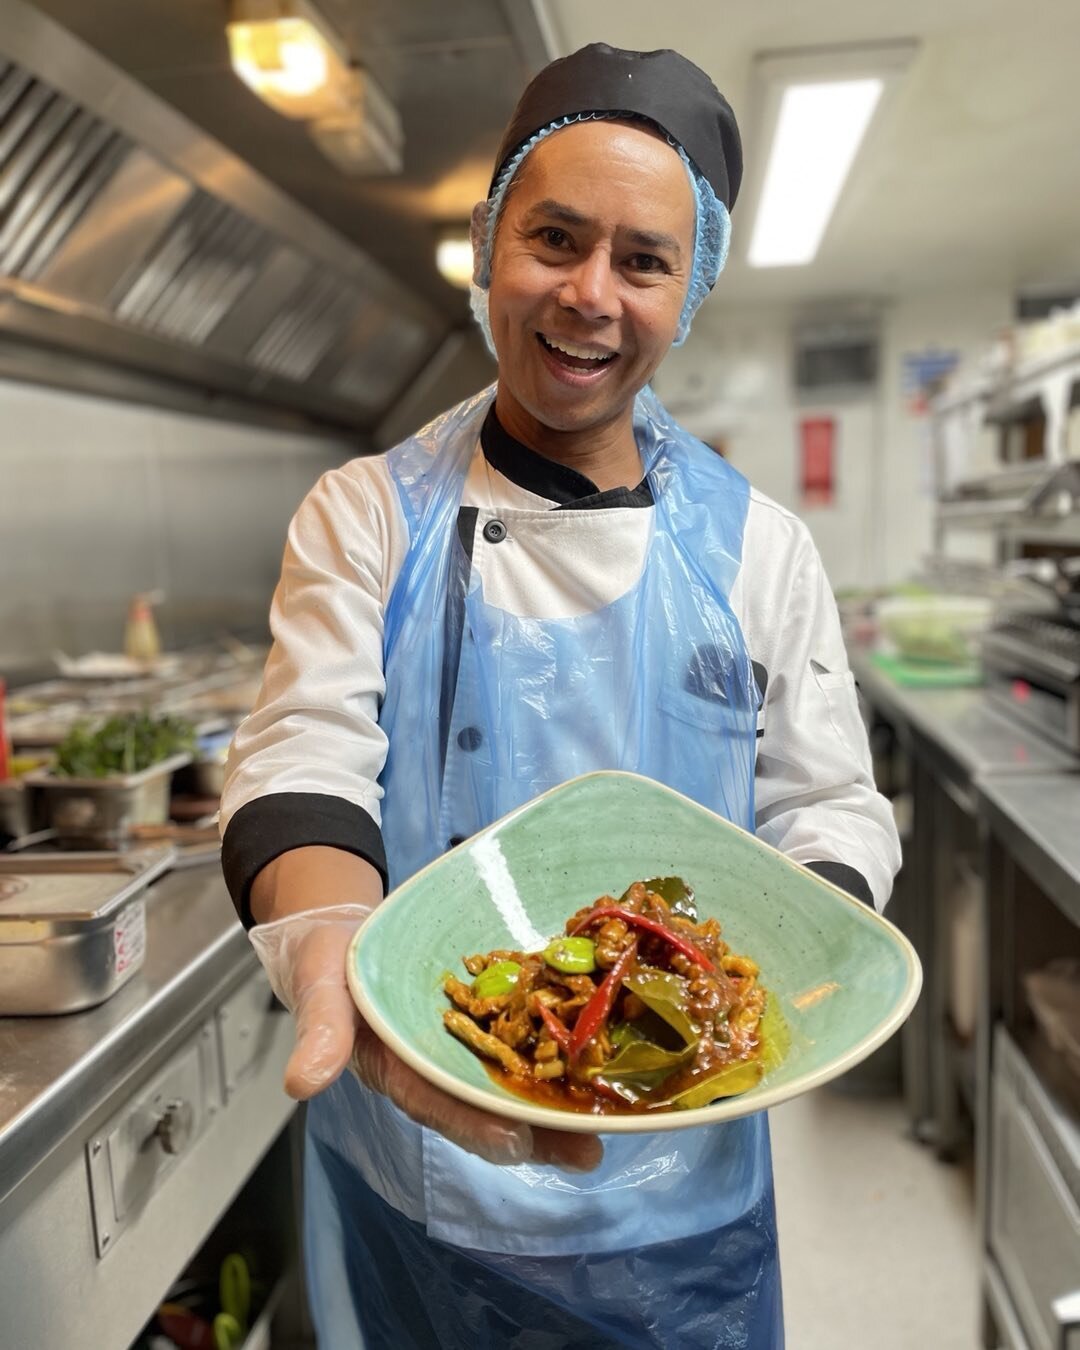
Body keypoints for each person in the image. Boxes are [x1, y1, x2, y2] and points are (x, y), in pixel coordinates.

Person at [221, 42, 901, 1349]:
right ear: (488, 243)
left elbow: (833, 807)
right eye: (554, 238)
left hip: (677, 1199)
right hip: (410, 1150)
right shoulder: (369, 516)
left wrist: (791, 961)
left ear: (688, 290)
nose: (589, 295)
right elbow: (302, 747)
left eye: (641, 259)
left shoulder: (759, 549)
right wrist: (324, 942)